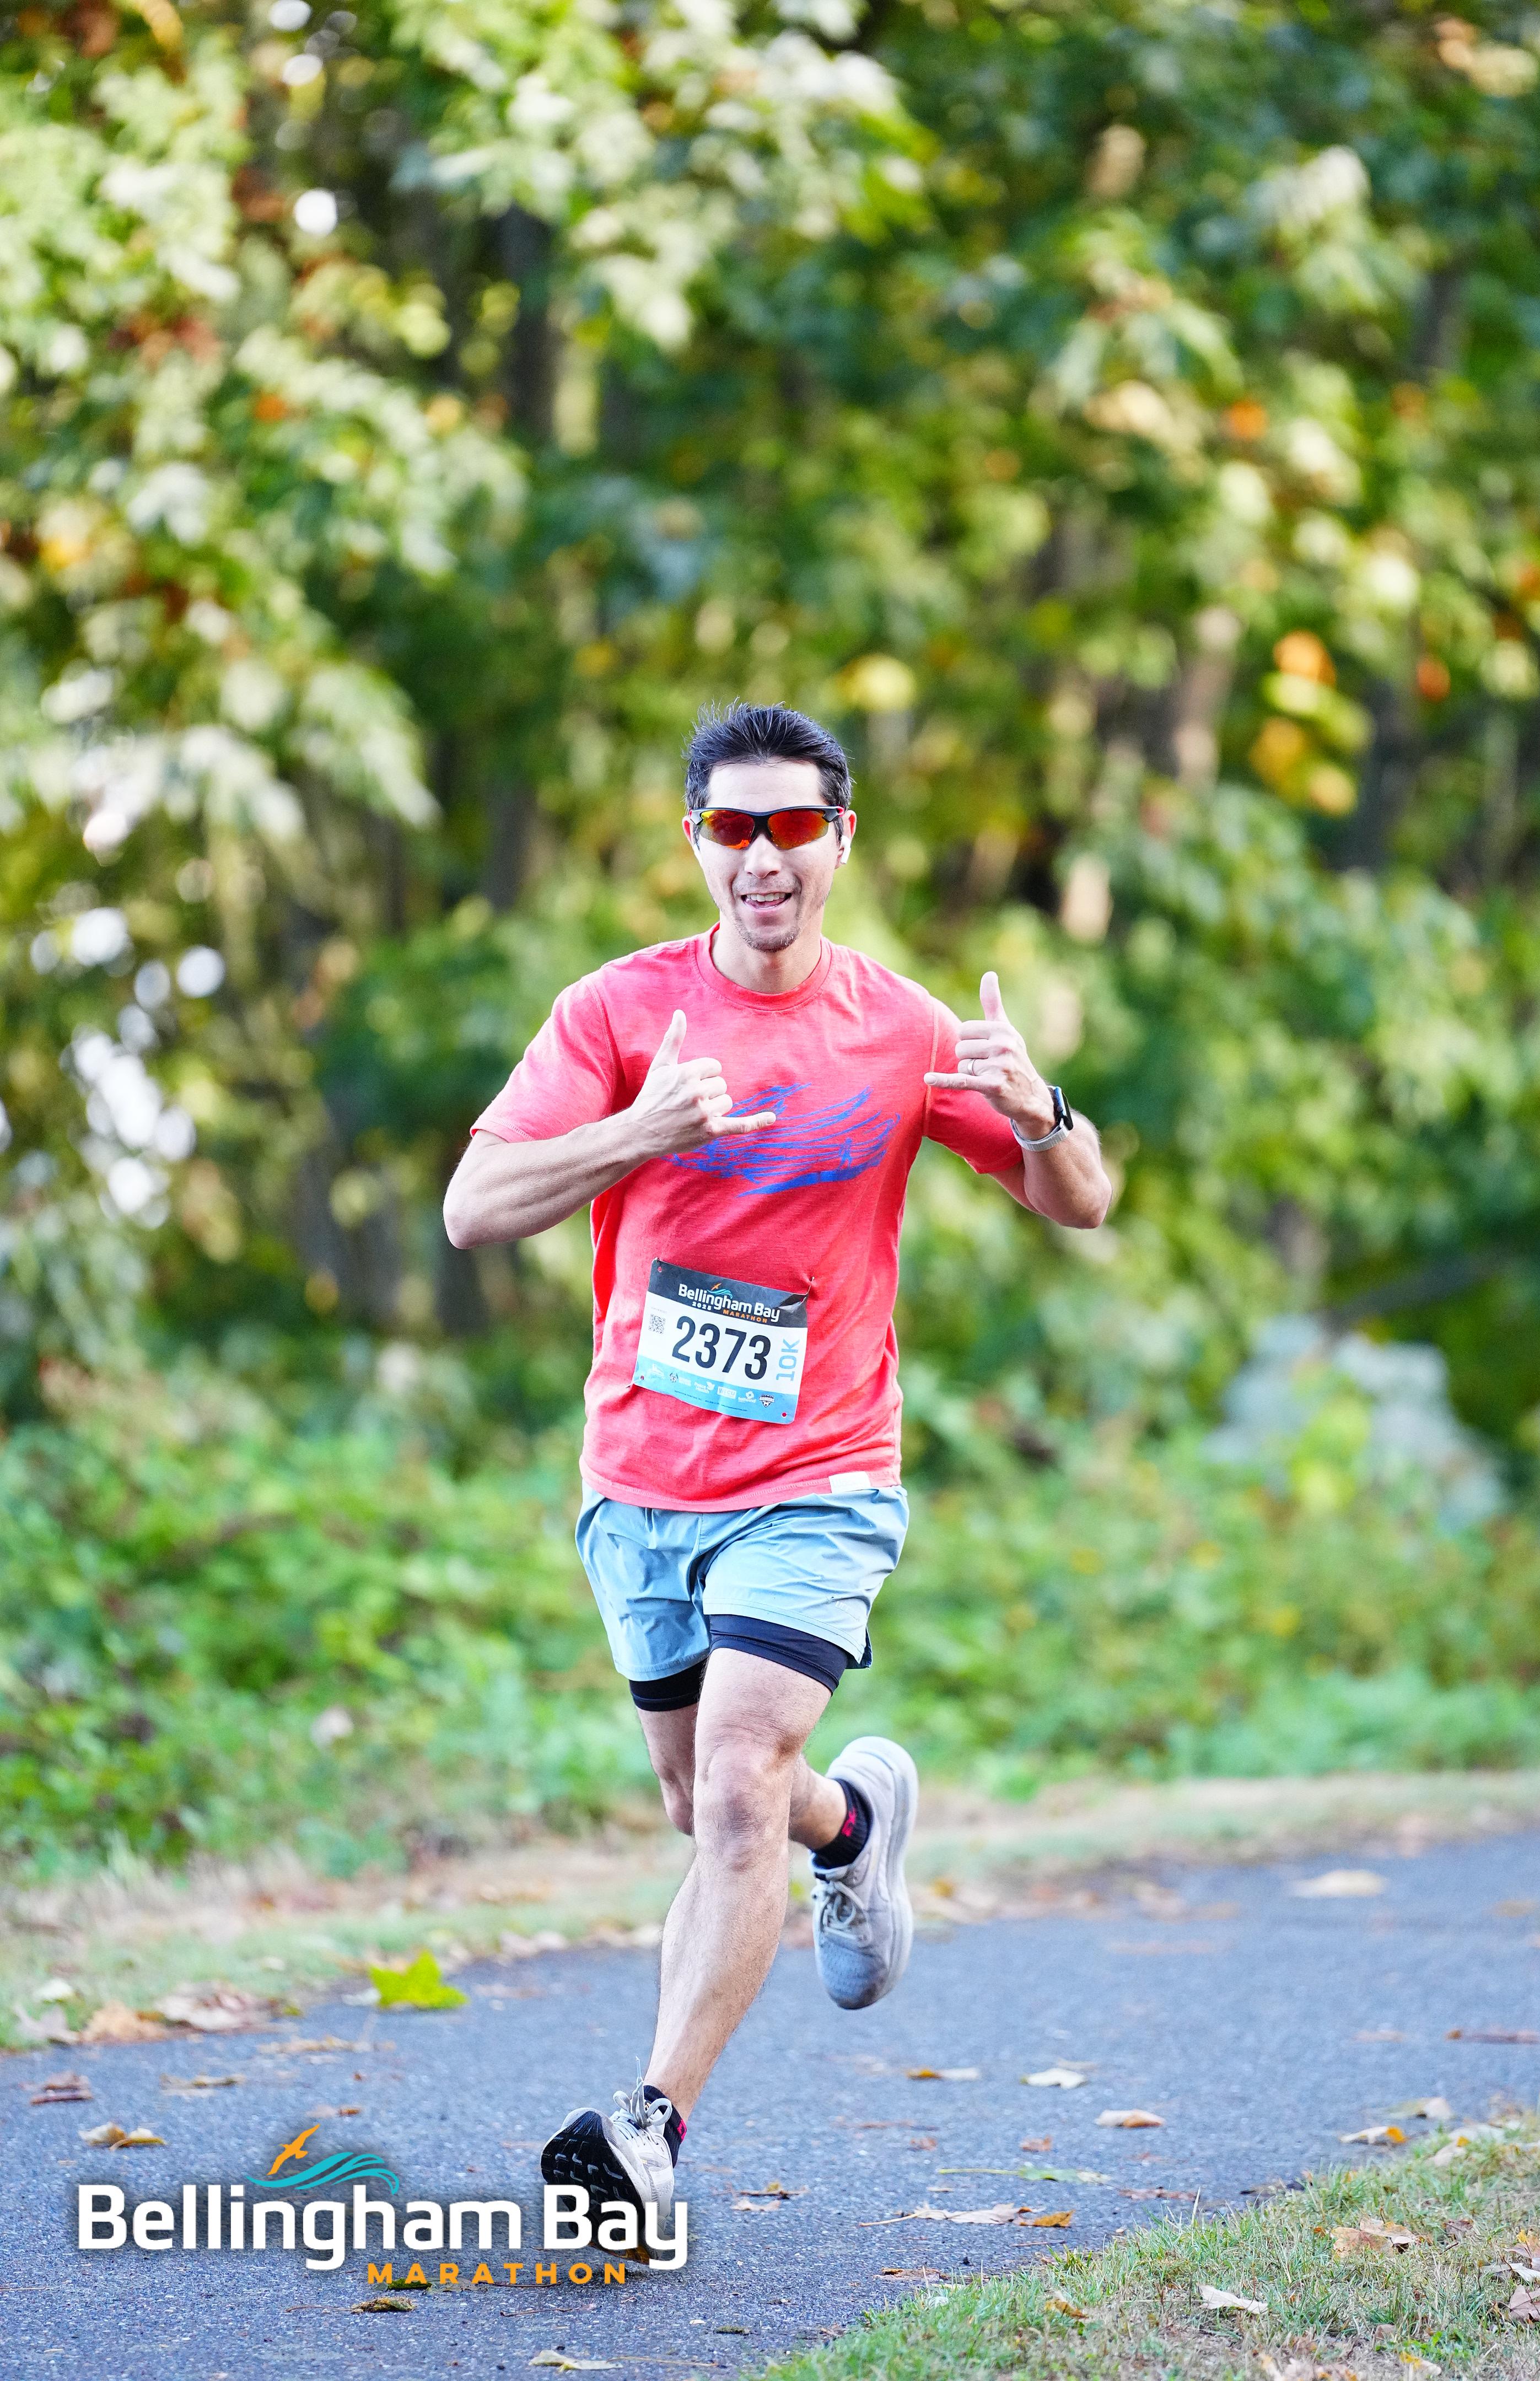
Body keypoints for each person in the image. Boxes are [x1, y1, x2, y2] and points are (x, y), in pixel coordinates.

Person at [443, 701, 1111, 2238]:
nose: (765, 857)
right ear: (698, 842)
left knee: (740, 1779)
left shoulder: (900, 1028)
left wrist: (1043, 1113)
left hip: (822, 1472)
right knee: (707, 1802)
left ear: (840, 841)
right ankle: (852, 1833)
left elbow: (1079, 1200)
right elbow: (474, 1209)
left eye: (794, 826)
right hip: (642, 1479)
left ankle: (648, 2132)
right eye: (734, 827)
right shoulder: (619, 1013)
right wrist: (638, 1131)